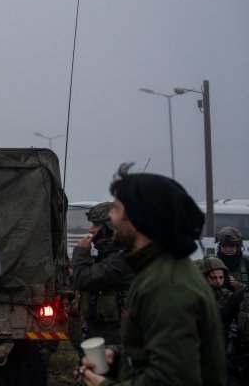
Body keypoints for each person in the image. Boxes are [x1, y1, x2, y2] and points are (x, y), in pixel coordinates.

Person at [79, 163, 226, 386]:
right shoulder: (154, 269)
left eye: (116, 209)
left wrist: (103, 384)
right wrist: (117, 357)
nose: (111, 216)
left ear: (138, 219)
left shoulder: (169, 286)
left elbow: (170, 380)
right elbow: (155, 354)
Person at [72, 202, 133, 347]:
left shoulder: (122, 258)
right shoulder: (111, 255)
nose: (91, 230)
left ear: (111, 228)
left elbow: (84, 280)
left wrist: (81, 253)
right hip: (107, 332)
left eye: (96, 225)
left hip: (115, 337)